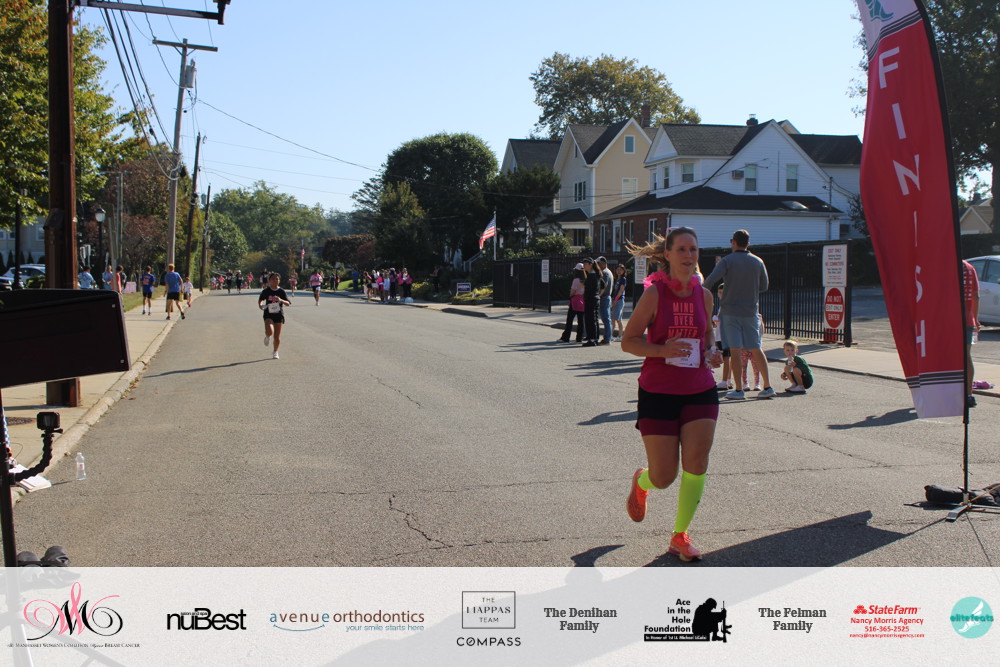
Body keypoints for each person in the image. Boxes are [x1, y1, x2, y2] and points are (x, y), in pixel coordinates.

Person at [622, 227, 723, 562]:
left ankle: (680, 535)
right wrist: (663, 350)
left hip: (699, 388)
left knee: (697, 462)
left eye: (693, 249)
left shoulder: (704, 295)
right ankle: (643, 482)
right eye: (681, 249)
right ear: (667, 255)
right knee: (664, 477)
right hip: (658, 390)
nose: (688, 256)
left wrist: (712, 351)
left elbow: (707, 333)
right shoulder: (655, 295)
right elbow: (628, 341)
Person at [703, 229, 774, 399]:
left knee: (735, 350)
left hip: (730, 311)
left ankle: (739, 389)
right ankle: (767, 386)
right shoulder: (758, 261)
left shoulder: (727, 261)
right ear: (748, 243)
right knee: (756, 348)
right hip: (750, 311)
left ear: (733, 242)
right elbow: (764, 286)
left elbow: (711, 280)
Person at [258, 272, 291, 359]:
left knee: (276, 337)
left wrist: (281, 300)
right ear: (269, 280)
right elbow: (260, 300)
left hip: (278, 315)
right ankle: (267, 336)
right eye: (273, 279)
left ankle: (275, 352)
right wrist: (261, 305)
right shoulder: (266, 291)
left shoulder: (281, 291)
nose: (275, 280)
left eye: (277, 279)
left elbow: (288, 303)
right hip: (268, 314)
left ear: (279, 281)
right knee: (269, 331)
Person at [963, 259, 981, 407]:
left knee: (946, 356)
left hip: (949, 319)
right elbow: (976, 295)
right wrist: (975, 318)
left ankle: (948, 392)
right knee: (966, 356)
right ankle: (969, 394)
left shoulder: (946, 266)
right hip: (968, 319)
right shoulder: (969, 267)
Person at [559, 263, 586, 343]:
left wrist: (570, 295)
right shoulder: (585, 279)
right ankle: (579, 338)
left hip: (575, 301)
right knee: (581, 321)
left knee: (569, 320)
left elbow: (572, 291)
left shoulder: (576, 280)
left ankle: (566, 337)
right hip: (583, 300)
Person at [581, 258, 601, 347]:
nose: (584, 266)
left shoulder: (591, 276)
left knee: (590, 320)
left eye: (585, 264)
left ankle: (592, 339)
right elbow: (602, 285)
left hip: (591, 299)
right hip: (595, 299)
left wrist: (584, 285)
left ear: (590, 264)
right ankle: (595, 338)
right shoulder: (597, 274)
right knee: (594, 319)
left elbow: (589, 289)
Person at [597, 257, 615, 345]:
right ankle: (608, 337)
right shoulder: (609, 272)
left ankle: (607, 338)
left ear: (603, 263)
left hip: (604, 297)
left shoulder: (604, 272)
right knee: (606, 318)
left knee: (605, 318)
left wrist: (598, 295)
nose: (597, 265)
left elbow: (603, 285)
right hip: (607, 297)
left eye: (599, 263)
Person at [610, 263, 628, 342]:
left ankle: (620, 336)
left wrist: (616, 299)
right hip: (616, 300)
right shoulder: (617, 279)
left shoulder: (623, 279)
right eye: (617, 270)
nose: (619, 271)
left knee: (617, 319)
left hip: (619, 300)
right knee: (613, 319)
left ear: (624, 271)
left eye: (621, 270)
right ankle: (611, 335)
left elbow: (621, 290)